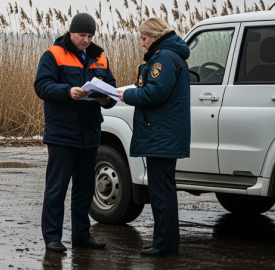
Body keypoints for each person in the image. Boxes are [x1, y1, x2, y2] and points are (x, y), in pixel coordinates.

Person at [34, 13, 117, 253]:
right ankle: (52, 237)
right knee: (56, 188)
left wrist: (105, 99)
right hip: (62, 134)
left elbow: (110, 89)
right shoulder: (53, 54)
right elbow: (42, 86)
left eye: (90, 36)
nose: (86, 40)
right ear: (72, 32)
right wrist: (67, 91)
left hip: (90, 133)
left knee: (85, 188)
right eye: (83, 35)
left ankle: (81, 234)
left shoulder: (100, 57)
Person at [117, 17, 191, 257]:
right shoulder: (172, 55)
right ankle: (165, 241)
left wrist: (128, 94)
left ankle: (164, 244)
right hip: (164, 133)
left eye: (144, 38)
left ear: (155, 36)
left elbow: (155, 94)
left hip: (161, 134)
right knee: (163, 190)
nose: (142, 44)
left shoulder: (163, 58)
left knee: (161, 193)